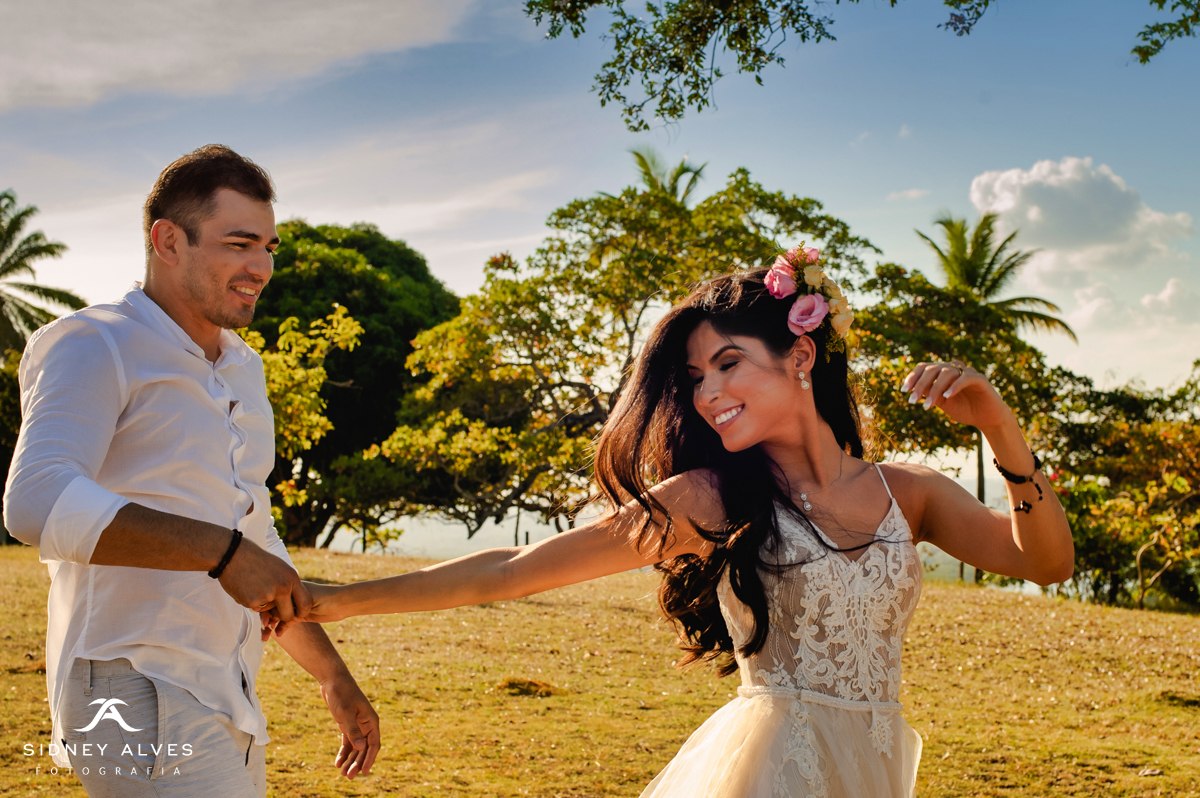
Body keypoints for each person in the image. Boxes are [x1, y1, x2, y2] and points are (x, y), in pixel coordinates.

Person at [283, 249, 1073, 797]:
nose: (705, 393)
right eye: (695, 377)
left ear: (799, 358)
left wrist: (998, 425)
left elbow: (1045, 565)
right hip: (769, 771)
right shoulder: (710, 497)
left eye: (727, 364)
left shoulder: (913, 493)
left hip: (872, 765)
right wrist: (330, 598)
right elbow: (513, 569)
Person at [4, 144, 380, 797]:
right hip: (131, 684)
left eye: (268, 247)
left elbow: (252, 537)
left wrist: (331, 675)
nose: (260, 268)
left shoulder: (243, 369)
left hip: (222, 682)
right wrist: (221, 552)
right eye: (239, 244)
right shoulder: (93, 343)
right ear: (168, 241)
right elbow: (35, 501)